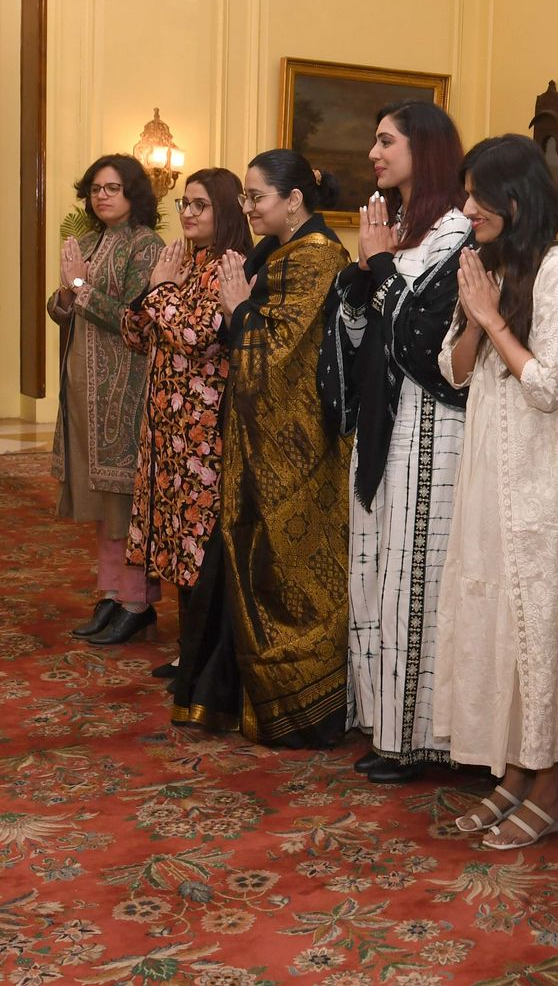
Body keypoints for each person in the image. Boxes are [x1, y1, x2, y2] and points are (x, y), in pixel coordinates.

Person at [434, 134, 558, 849]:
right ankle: (512, 770)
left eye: (478, 194)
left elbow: (550, 385)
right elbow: (453, 369)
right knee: (498, 620)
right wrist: (477, 318)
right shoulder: (490, 265)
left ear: (515, 197)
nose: (467, 207)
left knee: (539, 623)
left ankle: (551, 786)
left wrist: (494, 317)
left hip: (546, 473)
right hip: (490, 471)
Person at [169, 149, 351, 747]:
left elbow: (282, 350)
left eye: (256, 197)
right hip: (259, 436)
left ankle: (302, 705)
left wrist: (238, 310)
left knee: (287, 565)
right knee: (243, 552)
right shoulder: (275, 251)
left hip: (299, 443)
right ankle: (232, 692)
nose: (246, 207)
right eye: (244, 197)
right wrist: (239, 311)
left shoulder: (318, 257)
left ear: (293, 200)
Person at [324, 100, 473, 783]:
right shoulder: (399, 228)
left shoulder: (455, 233)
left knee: (414, 576)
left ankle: (416, 738)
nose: (374, 154)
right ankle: (382, 723)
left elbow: (422, 332)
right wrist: (363, 278)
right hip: (385, 417)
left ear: (426, 149)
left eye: (386, 141)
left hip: (430, 423)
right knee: (377, 570)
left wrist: (380, 268)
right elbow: (365, 324)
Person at [120, 168, 252, 678]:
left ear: (226, 209)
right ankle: (188, 648)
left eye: (200, 205)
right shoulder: (185, 261)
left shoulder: (229, 267)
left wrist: (161, 292)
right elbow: (138, 336)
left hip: (202, 432)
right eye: (184, 204)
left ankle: (201, 656)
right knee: (175, 539)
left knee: (197, 542)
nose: (188, 214)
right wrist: (156, 291)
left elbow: (199, 336)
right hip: (166, 430)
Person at [52, 154, 164, 646]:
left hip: (125, 389)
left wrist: (79, 285)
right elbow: (66, 310)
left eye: (112, 188)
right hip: (84, 389)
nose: (102, 196)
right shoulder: (89, 242)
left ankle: (136, 602)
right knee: (101, 500)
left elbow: (136, 319)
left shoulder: (146, 246)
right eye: (96, 188)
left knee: (125, 499)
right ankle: (111, 593)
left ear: (133, 193)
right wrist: (65, 293)